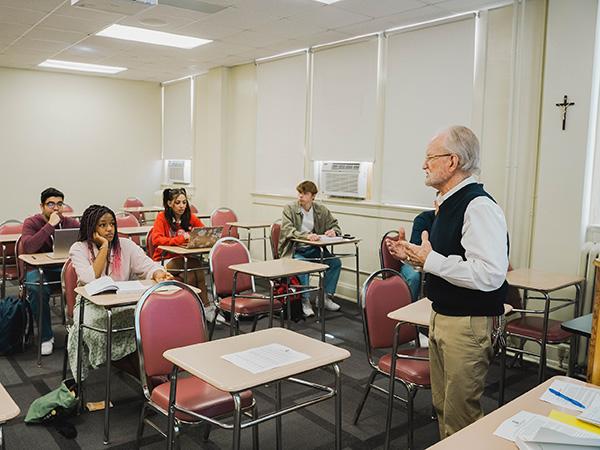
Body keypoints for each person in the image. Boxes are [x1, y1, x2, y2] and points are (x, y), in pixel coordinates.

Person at [387, 126, 508, 438]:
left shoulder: (478, 206)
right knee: (443, 407)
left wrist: (429, 260)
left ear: (453, 161)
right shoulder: (447, 203)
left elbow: (489, 274)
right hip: (444, 316)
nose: (423, 164)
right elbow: (447, 259)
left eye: (430, 157)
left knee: (461, 417)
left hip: (467, 324)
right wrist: (413, 255)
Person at [68, 205, 172, 380]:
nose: (109, 229)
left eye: (112, 224)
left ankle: (146, 374)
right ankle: (142, 376)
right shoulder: (78, 248)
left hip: (123, 301)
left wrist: (158, 272)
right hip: (90, 305)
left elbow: (148, 265)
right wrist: (104, 248)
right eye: (102, 225)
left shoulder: (125, 245)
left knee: (147, 322)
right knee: (98, 329)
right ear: (91, 228)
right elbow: (90, 279)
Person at [21, 187, 79, 356]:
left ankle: (79, 330)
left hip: (63, 268)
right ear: (42, 206)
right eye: (51, 204)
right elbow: (29, 247)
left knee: (85, 280)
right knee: (36, 287)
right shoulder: (31, 223)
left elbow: (85, 241)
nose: (56, 208)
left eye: (60, 204)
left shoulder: (70, 223)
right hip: (39, 269)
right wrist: (49, 225)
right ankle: (46, 337)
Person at [150, 188, 217, 321]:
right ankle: (204, 306)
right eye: (178, 203)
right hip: (163, 260)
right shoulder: (162, 217)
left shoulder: (190, 217)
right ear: (169, 204)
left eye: (184, 202)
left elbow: (203, 231)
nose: (182, 206)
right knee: (195, 264)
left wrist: (206, 238)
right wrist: (181, 239)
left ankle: (199, 308)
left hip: (184, 259)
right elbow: (156, 240)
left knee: (192, 273)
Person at [279, 180, 342, 317]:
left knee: (335, 263)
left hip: (315, 249)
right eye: (299, 193)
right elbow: (287, 230)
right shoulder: (289, 208)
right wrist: (306, 236)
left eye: (304, 193)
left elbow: (335, 225)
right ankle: (305, 300)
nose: (300, 196)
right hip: (295, 250)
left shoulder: (321, 210)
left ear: (313, 196)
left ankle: (324, 297)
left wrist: (334, 232)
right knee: (304, 267)